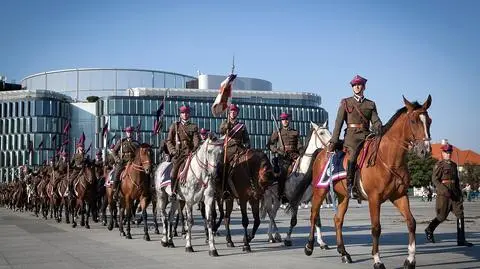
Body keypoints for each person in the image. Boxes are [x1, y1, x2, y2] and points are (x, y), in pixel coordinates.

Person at [327, 75, 382, 200]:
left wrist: (379, 127)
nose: (356, 87)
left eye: (359, 85)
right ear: (352, 88)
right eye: (354, 85)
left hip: (367, 135)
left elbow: (376, 121)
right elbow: (338, 123)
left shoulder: (370, 104)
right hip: (352, 138)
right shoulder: (346, 102)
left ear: (364, 87)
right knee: (352, 157)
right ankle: (350, 186)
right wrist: (334, 140)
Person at [425, 143, 473, 247]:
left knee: (460, 214)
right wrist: (443, 189)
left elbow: (456, 180)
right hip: (444, 195)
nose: (448, 154)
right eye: (446, 152)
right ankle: (429, 229)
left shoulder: (454, 165)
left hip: (454, 193)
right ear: (442, 153)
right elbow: (435, 179)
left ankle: (461, 240)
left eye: (450, 152)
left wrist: (459, 193)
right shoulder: (439, 165)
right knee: (441, 217)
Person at [166, 105, 200, 200]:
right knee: (174, 171)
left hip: (190, 154)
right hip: (179, 154)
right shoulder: (175, 126)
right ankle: (173, 191)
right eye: (183, 113)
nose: (185, 114)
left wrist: (194, 149)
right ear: (180, 114)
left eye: (186, 113)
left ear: (189, 114)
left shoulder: (193, 127)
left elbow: (196, 140)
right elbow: (168, 141)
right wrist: (173, 151)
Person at [267, 112, 303, 203]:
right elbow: (269, 145)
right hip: (283, 157)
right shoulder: (277, 132)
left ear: (289, 120)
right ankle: (282, 194)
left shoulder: (295, 132)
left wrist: (302, 152)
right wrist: (278, 151)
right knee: (283, 173)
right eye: (283, 119)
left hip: (295, 156)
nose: (285, 121)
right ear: (281, 121)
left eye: (286, 119)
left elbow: (299, 145)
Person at [219, 104, 250, 198]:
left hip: (240, 149)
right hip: (228, 150)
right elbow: (221, 131)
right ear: (229, 113)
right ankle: (224, 190)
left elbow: (246, 139)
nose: (233, 113)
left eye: (234, 112)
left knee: (249, 165)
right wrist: (227, 125)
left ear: (237, 113)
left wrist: (247, 145)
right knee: (223, 169)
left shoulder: (241, 126)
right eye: (231, 111)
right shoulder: (225, 123)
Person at [111, 126, 140, 201]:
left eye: (130, 132)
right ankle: (115, 191)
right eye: (128, 132)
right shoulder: (121, 141)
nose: (129, 133)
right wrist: (117, 159)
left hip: (133, 162)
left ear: (132, 133)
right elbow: (114, 151)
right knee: (117, 173)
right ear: (126, 133)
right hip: (123, 161)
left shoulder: (136, 143)